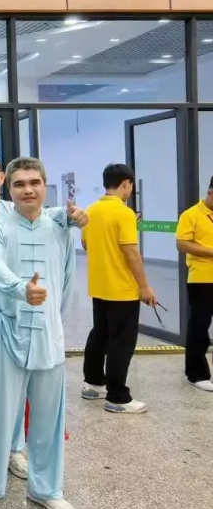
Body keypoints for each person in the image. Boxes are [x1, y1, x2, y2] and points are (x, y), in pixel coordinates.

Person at [0, 154, 87, 480]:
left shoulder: (19, 212)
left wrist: (73, 216)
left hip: (12, 316)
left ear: (2, 179)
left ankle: (13, 448)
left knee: (15, 390)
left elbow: (53, 216)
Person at [0, 157, 78, 509]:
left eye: (34, 183)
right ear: (9, 188)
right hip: (6, 328)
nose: (28, 190)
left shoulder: (60, 227)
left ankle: (47, 489)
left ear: (45, 186)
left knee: (48, 417)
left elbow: (67, 281)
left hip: (48, 333)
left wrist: (55, 322)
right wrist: (21, 289)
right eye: (19, 184)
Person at [81, 163, 157, 414]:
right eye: (130, 186)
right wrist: (144, 286)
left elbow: (87, 245)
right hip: (122, 289)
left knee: (99, 335)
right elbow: (131, 253)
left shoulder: (91, 210)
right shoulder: (124, 213)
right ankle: (117, 397)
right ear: (126, 183)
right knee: (121, 343)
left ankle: (93, 384)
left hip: (99, 286)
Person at [175, 175, 213, 392]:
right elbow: (182, 243)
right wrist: (211, 251)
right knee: (200, 326)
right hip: (202, 278)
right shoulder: (191, 215)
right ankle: (196, 374)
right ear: (210, 192)